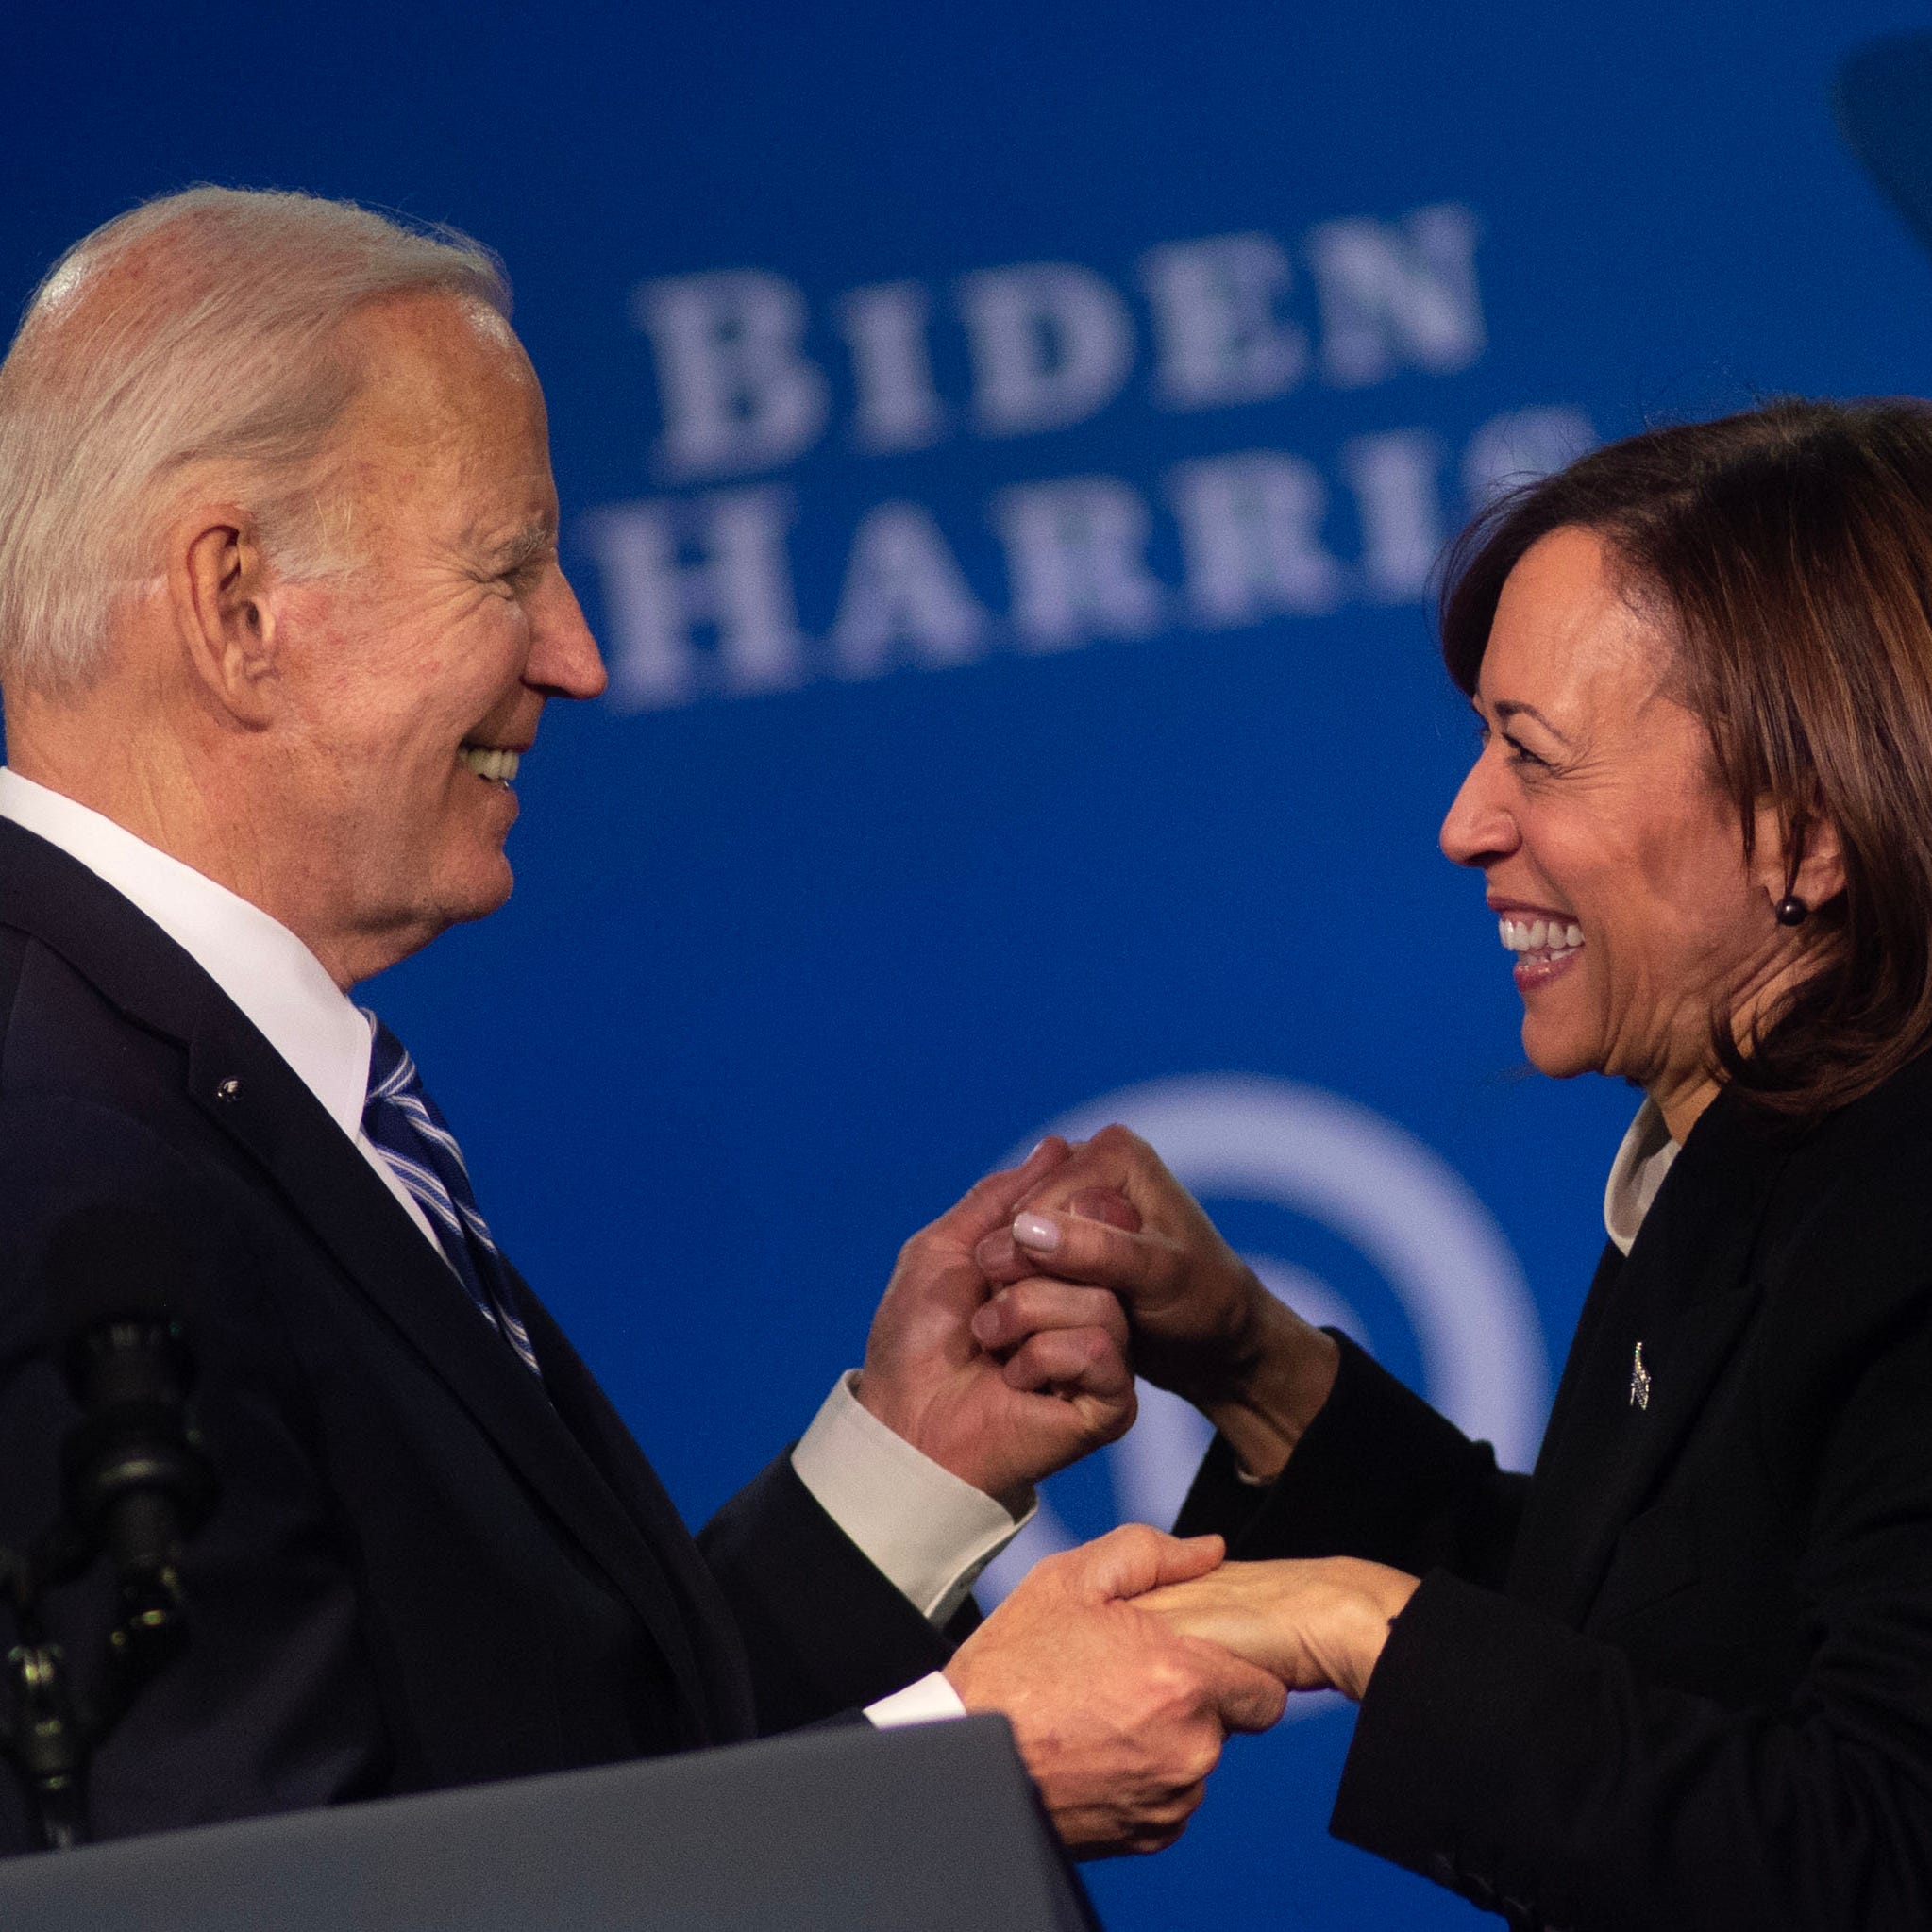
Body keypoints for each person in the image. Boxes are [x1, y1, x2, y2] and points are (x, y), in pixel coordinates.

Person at [0, 187, 1287, 1856]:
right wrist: (955, 1778)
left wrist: (901, 1473)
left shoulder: (166, 1087)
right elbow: (257, 1903)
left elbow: (537, 1769)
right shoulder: (58, 1175)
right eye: (507, 567)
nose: (581, 655)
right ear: (236, 605)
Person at [975, 399, 1932, 1927]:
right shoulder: (1769, 1157)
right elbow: (1656, 1646)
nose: (1463, 824)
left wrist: (1351, 1620)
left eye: (1533, 757)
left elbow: (1872, 1859)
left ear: (1805, 832)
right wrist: (1259, 1367)